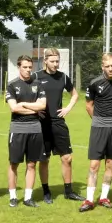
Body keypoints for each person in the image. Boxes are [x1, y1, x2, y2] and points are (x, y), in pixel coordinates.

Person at [79, 52, 112, 212]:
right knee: (94, 164)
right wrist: (97, 120)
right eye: (107, 66)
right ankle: (89, 200)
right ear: (103, 67)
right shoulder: (95, 83)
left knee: (110, 163)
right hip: (98, 128)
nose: (110, 69)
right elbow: (89, 105)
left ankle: (104, 197)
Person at [36, 47, 83, 203]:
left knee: (67, 158)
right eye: (53, 61)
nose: (56, 64)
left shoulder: (63, 77)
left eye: (57, 61)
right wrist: (35, 111)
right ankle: (46, 191)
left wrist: (68, 108)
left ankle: (68, 191)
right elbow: (28, 95)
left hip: (58, 123)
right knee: (44, 160)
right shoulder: (36, 77)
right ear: (45, 61)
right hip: (41, 124)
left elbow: (75, 94)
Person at [6, 55, 48, 207]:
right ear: (19, 67)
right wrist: (33, 108)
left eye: (30, 67)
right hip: (17, 129)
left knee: (32, 164)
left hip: (35, 129)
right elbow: (14, 108)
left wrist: (23, 104)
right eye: (25, 67)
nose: (28, 70)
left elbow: (42, 105)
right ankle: (13, 196)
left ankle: (28, 197)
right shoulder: (12, 85)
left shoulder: (38, 84)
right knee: (14, 164)